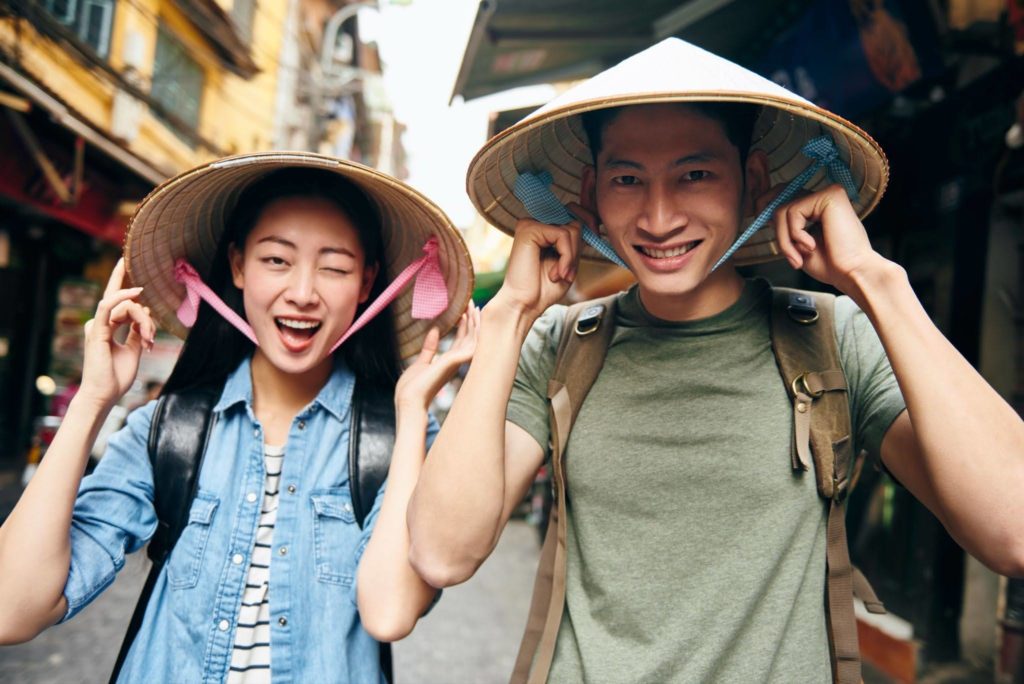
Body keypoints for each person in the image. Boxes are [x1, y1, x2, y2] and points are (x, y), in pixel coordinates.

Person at [407, 38, 1024, 683]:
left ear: (751, 183)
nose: (659, 216)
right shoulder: (556, 345)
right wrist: (508, 315)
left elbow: (1011, 532)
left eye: (695, 174)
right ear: (590, 194)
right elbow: (444, 554)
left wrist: (876, 281)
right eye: (627, 180)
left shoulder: (833, 339)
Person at [0, 152, 476, 683]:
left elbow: (390, 612)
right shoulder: (170, 429)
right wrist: (93, 400)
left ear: (367, 284)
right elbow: (11, 609)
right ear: (236, 265)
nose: (302, 292)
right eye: (276, 260)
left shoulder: (402, 439)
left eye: (334, 267)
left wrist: (410, 416)